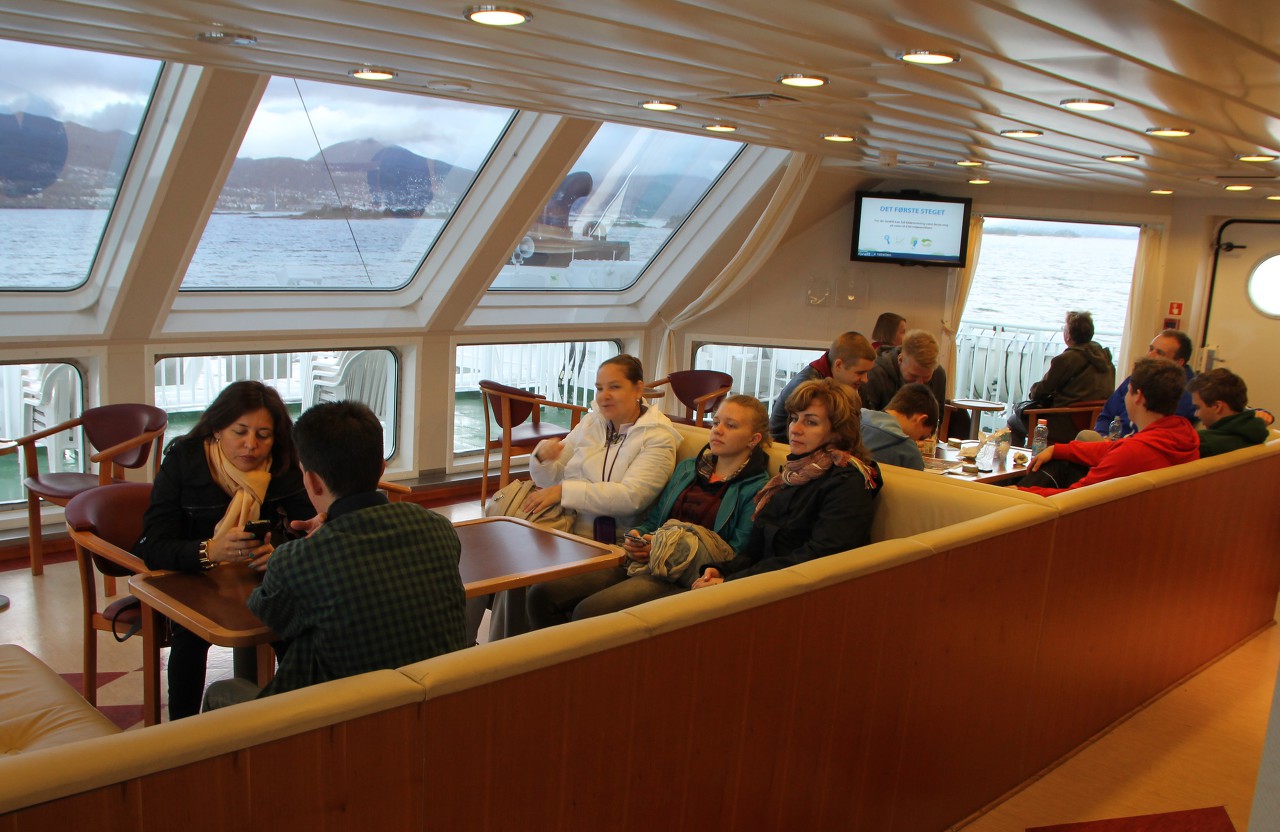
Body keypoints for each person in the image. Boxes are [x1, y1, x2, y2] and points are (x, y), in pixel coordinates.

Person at [202, 401, 467, 710]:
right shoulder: (438, 529)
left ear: (312, 480)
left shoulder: (298, 560)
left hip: (336, 725)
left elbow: (268, 615)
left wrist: (302, 550)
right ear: (382, 468)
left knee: (222, 692)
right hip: (432, 709)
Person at [135, 380, 316, 720]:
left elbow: (309, 528)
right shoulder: (184, 460)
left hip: (262, 578)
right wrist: (209, 551)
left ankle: (295, 721)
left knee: (296, 628)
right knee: (189, 641)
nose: (251, 446)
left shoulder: (283, 464)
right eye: (240, 432)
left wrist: (280, 550)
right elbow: (153, 545)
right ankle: (182, 735)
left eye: (264, 435)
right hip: (195, 579)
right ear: (218, 428)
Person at [480, 354, 680, 639]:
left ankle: (513, 658)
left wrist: (564, 491)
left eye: (614, 387)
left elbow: (632, 498)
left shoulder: (659, 437)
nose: (604, 396)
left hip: (612, 543)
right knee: (491, 557)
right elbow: (551, 477)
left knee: (522, 571)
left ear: (638, 389)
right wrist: (543, 458)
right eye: (599, 388)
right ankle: (478, 652)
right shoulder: (593, 422)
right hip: (567, 529)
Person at [526, 396, 771, 627]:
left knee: (589, 611)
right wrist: (639, 536)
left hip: (682, 572)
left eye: (731, 425)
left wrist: (670, 547)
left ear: (753, 439)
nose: (717, 430)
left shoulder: (756, 488)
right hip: (645, 558)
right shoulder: (689, 469)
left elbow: (737, 551)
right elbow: (655, 519)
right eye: (716, 422)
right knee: (542, 593)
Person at [692, 378, 882, 586]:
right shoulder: (791, 476)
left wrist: (731, 582)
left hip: (799, 595)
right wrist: (721, 570)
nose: (795, 429)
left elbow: (817, 558)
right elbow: (756, 552)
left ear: (837, 431)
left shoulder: (847, 484)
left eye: (810, 422)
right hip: (763, 585)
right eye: (793, 418)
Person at [1017, 358, 1199, 496]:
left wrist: (1018, 492)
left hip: (1099, 521)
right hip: (1141, 513)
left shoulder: (1134, 452)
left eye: (1128, 391)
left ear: (1138, 396)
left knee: (1057, 470)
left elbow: (1076, 498)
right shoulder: (1183, 433)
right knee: (1061, 461)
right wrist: (1058, 449)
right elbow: (1112, 449)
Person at [1008, 310, 1115, 445]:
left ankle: (1020, 463)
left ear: (1068, 335)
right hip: (1094, 424)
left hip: (1065, 423)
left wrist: (1033, 390)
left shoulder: (1066, 360)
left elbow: (1040, 392)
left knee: (1013, 422)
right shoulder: (1106, 359)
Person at [768, 331, 876, 441]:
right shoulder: (808, 387)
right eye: (860, 373)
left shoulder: (847, 384)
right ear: (838, 365)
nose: (865, 379)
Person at [1094, 330, 1197, 437]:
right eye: (1151, 349)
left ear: (1179, 362)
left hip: (1139, 445)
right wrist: (1103, 436)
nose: (1150, 355)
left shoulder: (1184, 393)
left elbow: (1159, 434)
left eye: (1160, 353)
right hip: (1112, 440)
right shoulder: (1135, 378)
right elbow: (1106, 415)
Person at [861, 328, 961, 436]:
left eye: (927, 377)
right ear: (900, 359)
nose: (920, 383)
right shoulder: (876, 373)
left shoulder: (939, 374)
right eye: (913, 376)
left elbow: (937, 419)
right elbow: (867, 421)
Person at [1187, 369, 1271, 456]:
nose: (1196, 414)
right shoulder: (1255, 431)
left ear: (1217, 407)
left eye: (1198, 407)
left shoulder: (1202, 443)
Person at [860, 383, 938, 471]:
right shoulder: (908, 451)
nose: (918, 442)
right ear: (921, 419)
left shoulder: (853, 419)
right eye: (921, 437)